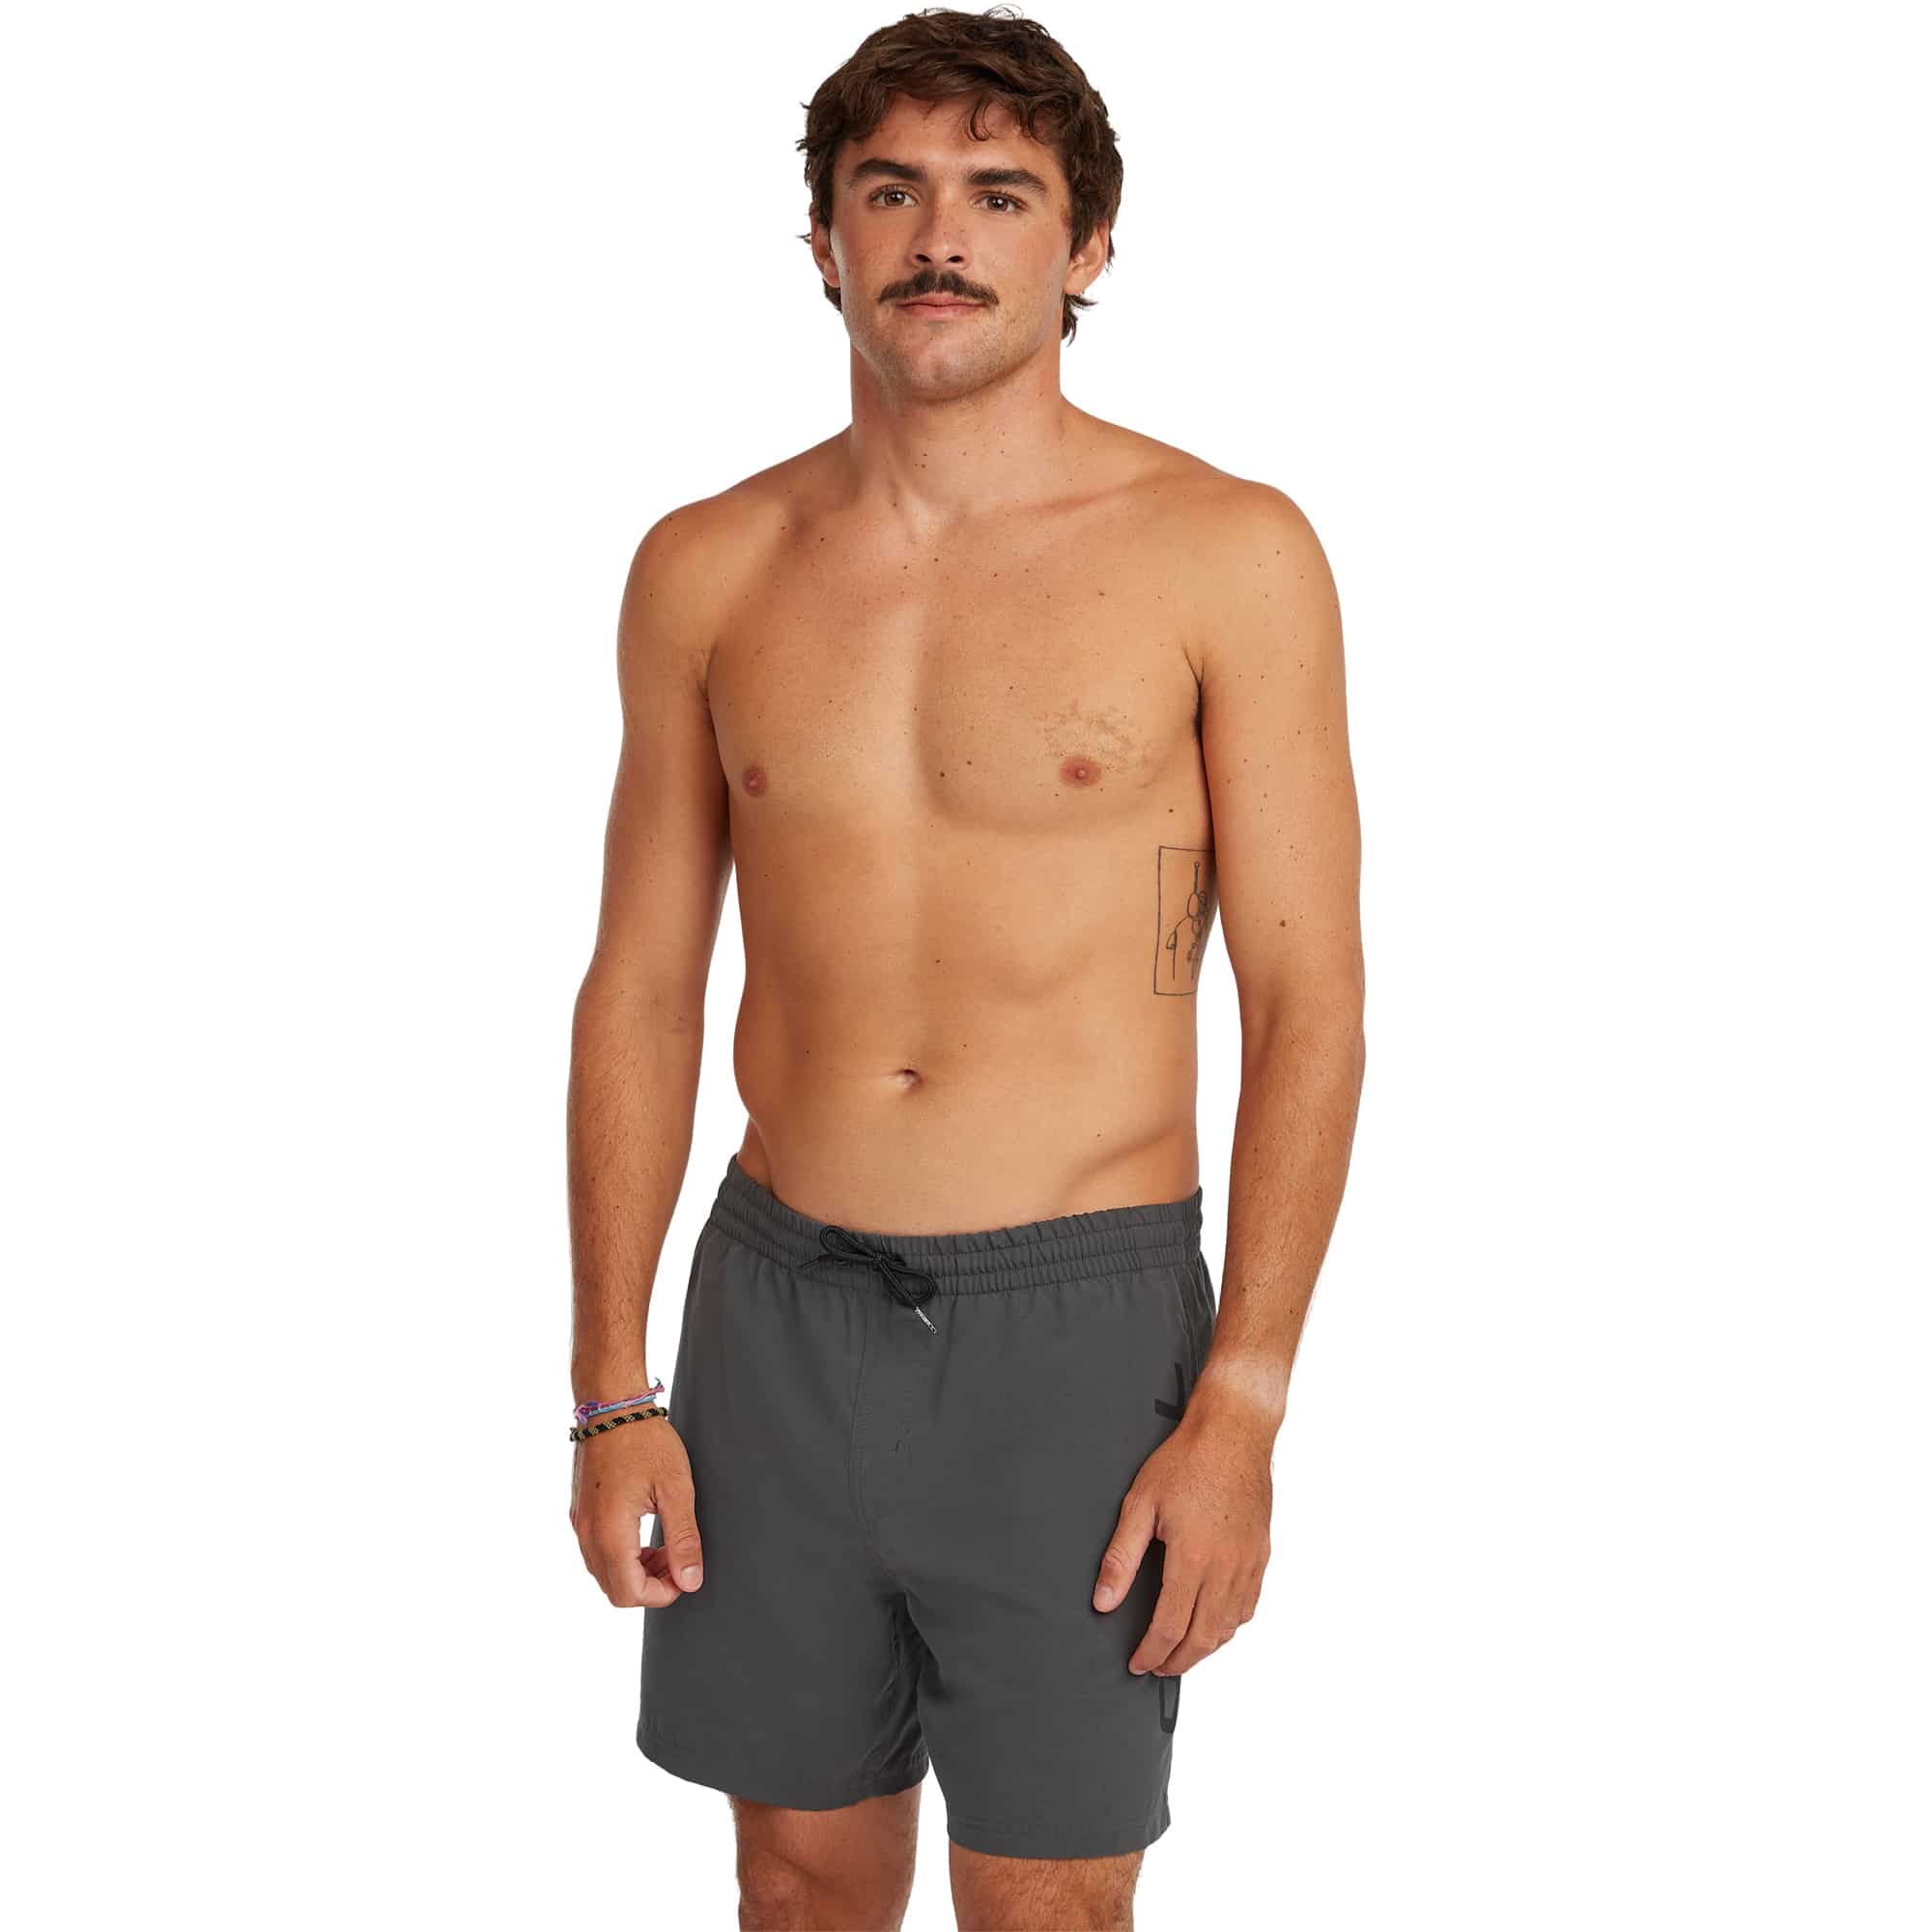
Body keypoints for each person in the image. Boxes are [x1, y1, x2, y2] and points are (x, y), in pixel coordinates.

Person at [566, 9, 1365, 1927]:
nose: (939, 234)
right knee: (795, 1881)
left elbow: (1309, 1000)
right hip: (773, 1308)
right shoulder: (707, 563)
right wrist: (611, 1387)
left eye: (999, 194)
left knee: (1051, 1903)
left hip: (1077, 1329)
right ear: (823, 240)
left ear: (1085, 245)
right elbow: (641, 985)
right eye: (891, 190)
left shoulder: (1226, 553)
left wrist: (1243, 1401)